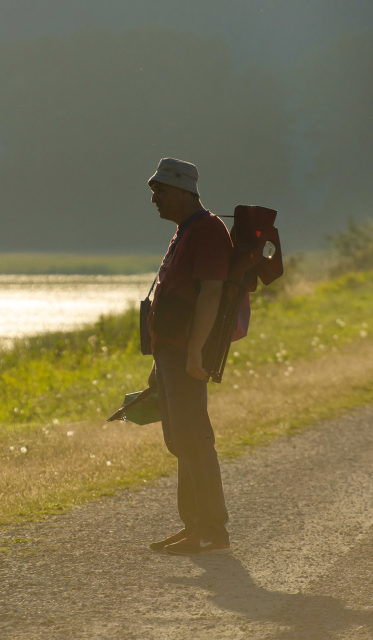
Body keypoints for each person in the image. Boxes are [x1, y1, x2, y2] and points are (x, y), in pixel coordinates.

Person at [144, 157, 233, 555]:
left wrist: (195, 351)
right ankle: (193, 526)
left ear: (183, 190)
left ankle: (212, 531)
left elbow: (211, 293)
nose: (155, 199)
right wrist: (156, 363)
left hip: (186, 354)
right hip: (170, 354)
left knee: (195, 439)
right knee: (180, 440)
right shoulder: (185, 231)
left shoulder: (209, 230)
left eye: (160, 191)